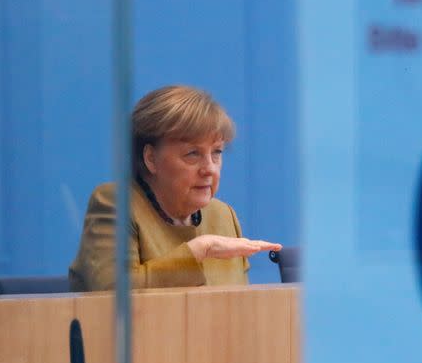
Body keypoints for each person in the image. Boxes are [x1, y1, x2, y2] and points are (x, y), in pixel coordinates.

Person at [69, 85, 281, 291]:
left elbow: (240, 304)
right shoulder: (117, 204)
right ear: (151, 158)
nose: (209, 169)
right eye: (192, 154)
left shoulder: (223, 216)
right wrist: (198, 250)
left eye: (216, 152)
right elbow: (110, 292)